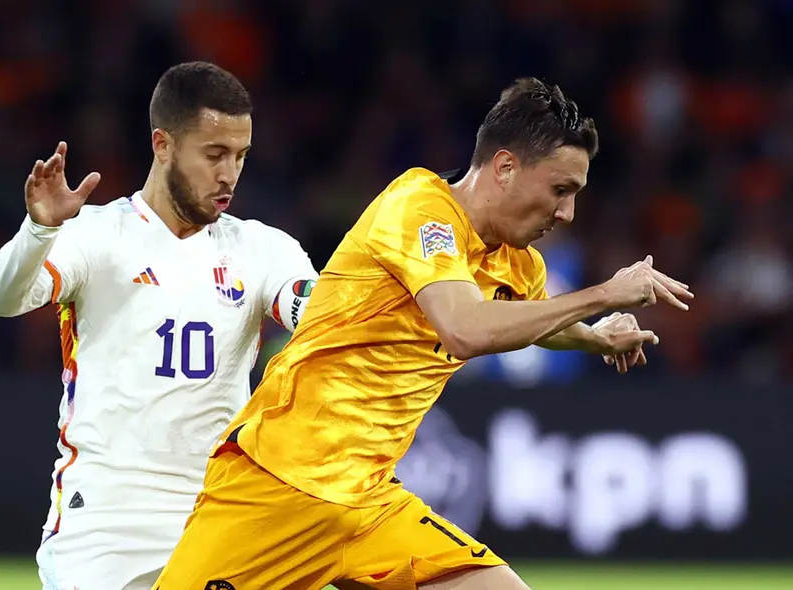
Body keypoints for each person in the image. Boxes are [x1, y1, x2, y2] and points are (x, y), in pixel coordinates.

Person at [153, 78, 694, 590]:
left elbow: (534, 318)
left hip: (369, 506)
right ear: (504, 167)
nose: (568, 212)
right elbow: (464, 328)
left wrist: (594, 336)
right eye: (560, 189)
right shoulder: (420, 207)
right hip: (278, 483)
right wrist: (605, 294)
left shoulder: (518, 264)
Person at [0, 61, 318, 590]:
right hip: (103, 522)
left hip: (215, 514)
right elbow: (1, 299)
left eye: (240, 156)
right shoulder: (96, 235)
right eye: (214, 155)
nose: (229, 173)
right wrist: (37, 231)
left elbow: (313, 311)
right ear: (163, 145)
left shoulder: (263, 249)